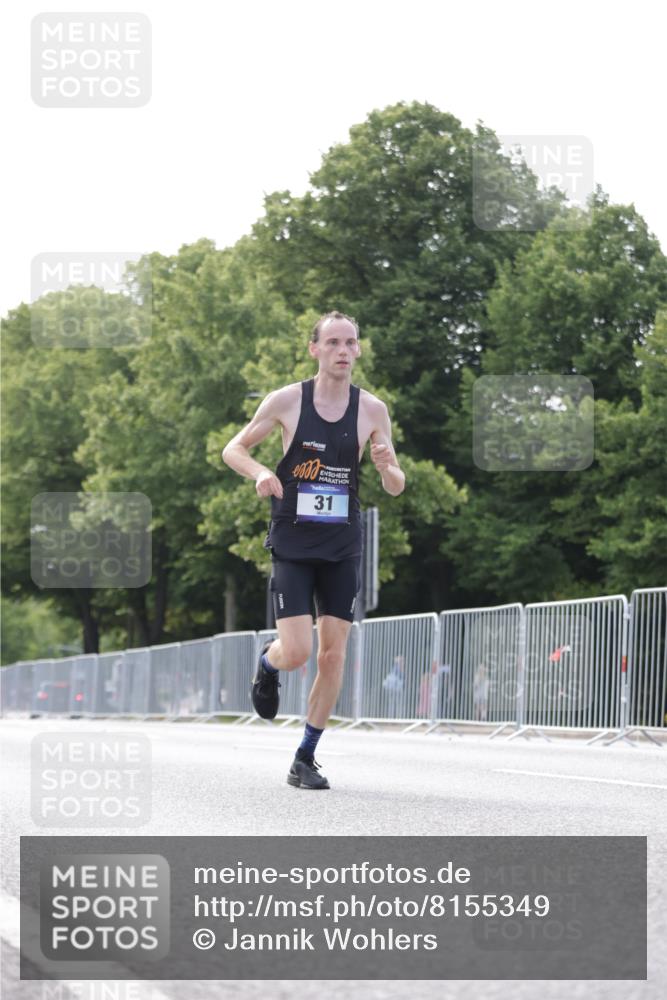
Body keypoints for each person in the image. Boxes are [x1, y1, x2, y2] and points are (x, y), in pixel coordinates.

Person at [222, 310, 405, 789]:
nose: (343, 351)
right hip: (294, 542)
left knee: (332, 656)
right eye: (333, 343)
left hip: (342, 544)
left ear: (358, 350)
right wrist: (262, 472)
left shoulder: (372, 410)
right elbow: (232, 449)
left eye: (351, 343)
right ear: (315, 349)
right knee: (299, 651)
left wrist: (387, 467)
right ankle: (269, 662)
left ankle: (305, 757)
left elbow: (396, 485)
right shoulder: (287, 401)